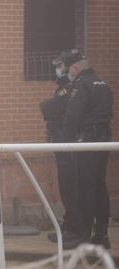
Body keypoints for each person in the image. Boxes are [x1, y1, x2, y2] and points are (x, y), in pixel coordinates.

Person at [60, 49, 113, 249]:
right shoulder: (103, 84)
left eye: (68, 69)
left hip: (87, 141)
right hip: (104, 140)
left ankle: (83, 234)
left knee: (85, 187)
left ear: (75, 68)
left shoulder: (81, 86)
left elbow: (72, 117)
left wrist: (65, 142)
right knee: (99, 186)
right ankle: (101, 234)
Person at [40, 51, 84, 246]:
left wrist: (46, 107)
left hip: (69, 144)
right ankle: (69, 225)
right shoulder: (67, 86)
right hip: (62, 143)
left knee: (70, 185)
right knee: (66, 185)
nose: (57, 70)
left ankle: (74, 228)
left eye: (60, 66)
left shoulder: (71, 87)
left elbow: (50, 108)